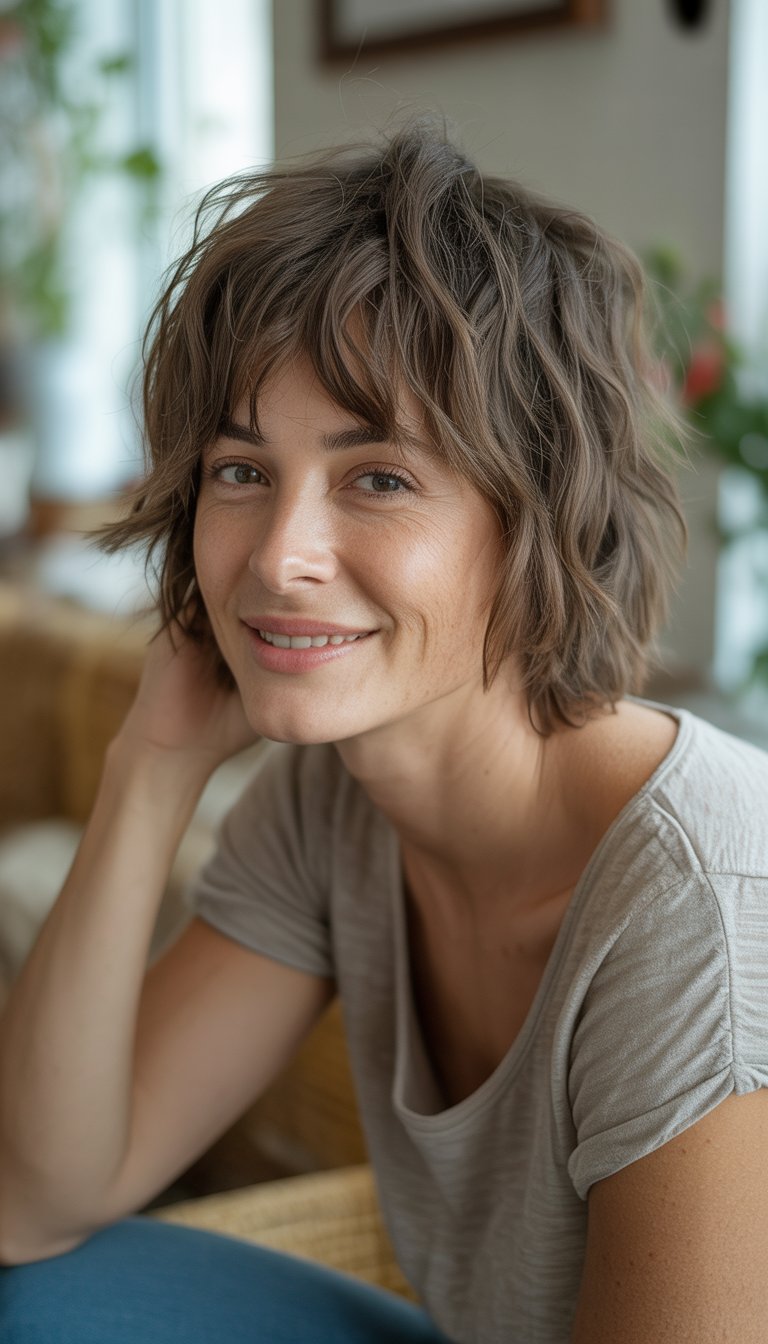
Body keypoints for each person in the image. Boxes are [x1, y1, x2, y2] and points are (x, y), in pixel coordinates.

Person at [1, 121, 767, 1344]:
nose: (278, 557)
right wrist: (148, 772)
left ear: (536, 517)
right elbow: (32, 1199)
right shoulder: (333, 800)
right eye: (242, 470)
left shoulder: (704, 911)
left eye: (380, 478)